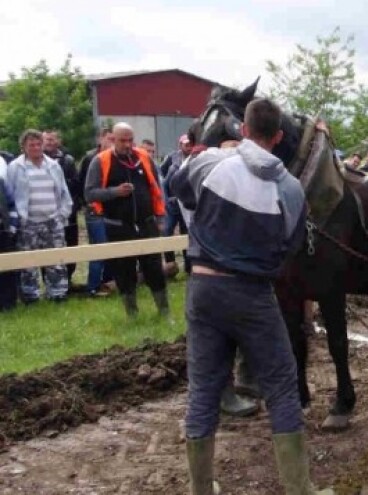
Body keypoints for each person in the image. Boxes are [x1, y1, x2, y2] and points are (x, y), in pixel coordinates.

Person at [170, 98, 333, 495]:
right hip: (253, 294)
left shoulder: (210, 163)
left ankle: (200, 489)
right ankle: (298, 488)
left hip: (204, 290)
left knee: (204, 388)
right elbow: (291, 245)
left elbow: (179, 189)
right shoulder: (291, 189)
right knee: (281, 384)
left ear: (242, 130)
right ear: (278, 137)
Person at [85, 123, 168, 317]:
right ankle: (132, 314)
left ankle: (164, 311)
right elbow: (89, 194)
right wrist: (115, 192)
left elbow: (156, 189)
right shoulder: (101, 161)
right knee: (124, 271)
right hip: (118, 226)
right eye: (123, 140)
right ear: (113, 139)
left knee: (154, 268)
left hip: (147, 224)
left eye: (131, 140)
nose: (128, 144)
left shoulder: (144, 158)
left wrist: (160, 216)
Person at [7, 129, 73, 303]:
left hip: (53, 220)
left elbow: (64, 192)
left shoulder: (53, 165)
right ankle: (30, 296)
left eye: (38, 144)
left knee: (56, 260)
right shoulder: (15, 167)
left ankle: (57, 293)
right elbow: (10, 194)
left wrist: (62, 214)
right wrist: (19, 218)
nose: (36, 148)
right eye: (31, 145)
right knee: (28, 263)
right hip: (28, 222)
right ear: (23, 147)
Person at [43, 130, 81, 286]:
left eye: (52, 139)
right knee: (47, 248)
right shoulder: (36, 161)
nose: (49, 142)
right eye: (46, 140)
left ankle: (69, 279)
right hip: (46, 212)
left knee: (71, 245)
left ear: (58, 141)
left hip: (68, 212)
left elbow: (76, 185)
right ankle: (49, 281)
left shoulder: (68, 160)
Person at [80, 129, 115, 297]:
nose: (112, 143)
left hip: (111, 211)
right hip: (95, 211)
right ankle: (92, 287)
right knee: (98, 250)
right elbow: (84, 187)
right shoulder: (91, 159)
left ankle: (107, 283)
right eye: (110, 139)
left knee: (110, 249)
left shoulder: (115, 158)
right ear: (101, 138)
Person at [160, 134, 194, 276]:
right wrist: (167, 198)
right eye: (186, 144)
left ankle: (188, 266)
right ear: (180, 145)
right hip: (172, 205)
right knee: (167, 232)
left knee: (186, 234)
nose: (188, 147)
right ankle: (170, 265)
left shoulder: (195, 159)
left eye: (190, 144)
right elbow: (162, 177)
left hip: (185, 204)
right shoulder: (171, 158)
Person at [0, 157, 18, 311]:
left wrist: (12, 227)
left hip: (3, 230)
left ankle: (8, 304)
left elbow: (12, 204)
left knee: (8, 270)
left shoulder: (1, 182)